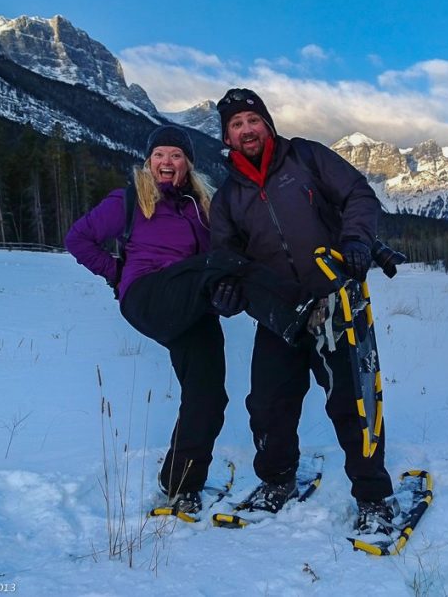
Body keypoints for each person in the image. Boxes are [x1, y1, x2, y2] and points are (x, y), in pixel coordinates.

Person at [65, 125, 312, 516]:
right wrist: (117, 274)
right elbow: (77, 238)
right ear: (149, 162)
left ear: (188, 165)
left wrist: (225, 294)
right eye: (159, 154)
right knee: (220, 263)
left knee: (208, 396)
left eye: (176, 155)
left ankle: (180, 485)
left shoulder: (203, 207)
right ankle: (297, 314)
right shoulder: (130, 200)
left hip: (191, 305)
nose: (167, 161)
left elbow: (228, 256)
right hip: (149, 295)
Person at [210, 88, 396, 534]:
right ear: (227, 137)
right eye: (236, 125)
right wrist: (227, 290)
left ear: (267, 124)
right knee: (268, 405)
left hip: (335, 301)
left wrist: (355, 239)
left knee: (354, 403)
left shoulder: (306, 158)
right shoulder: (228, 197)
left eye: (252, 120)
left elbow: (359, 194)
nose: (246, 130)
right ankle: (276, 480)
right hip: (277, 315)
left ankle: (372, 496)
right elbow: (224, 257)